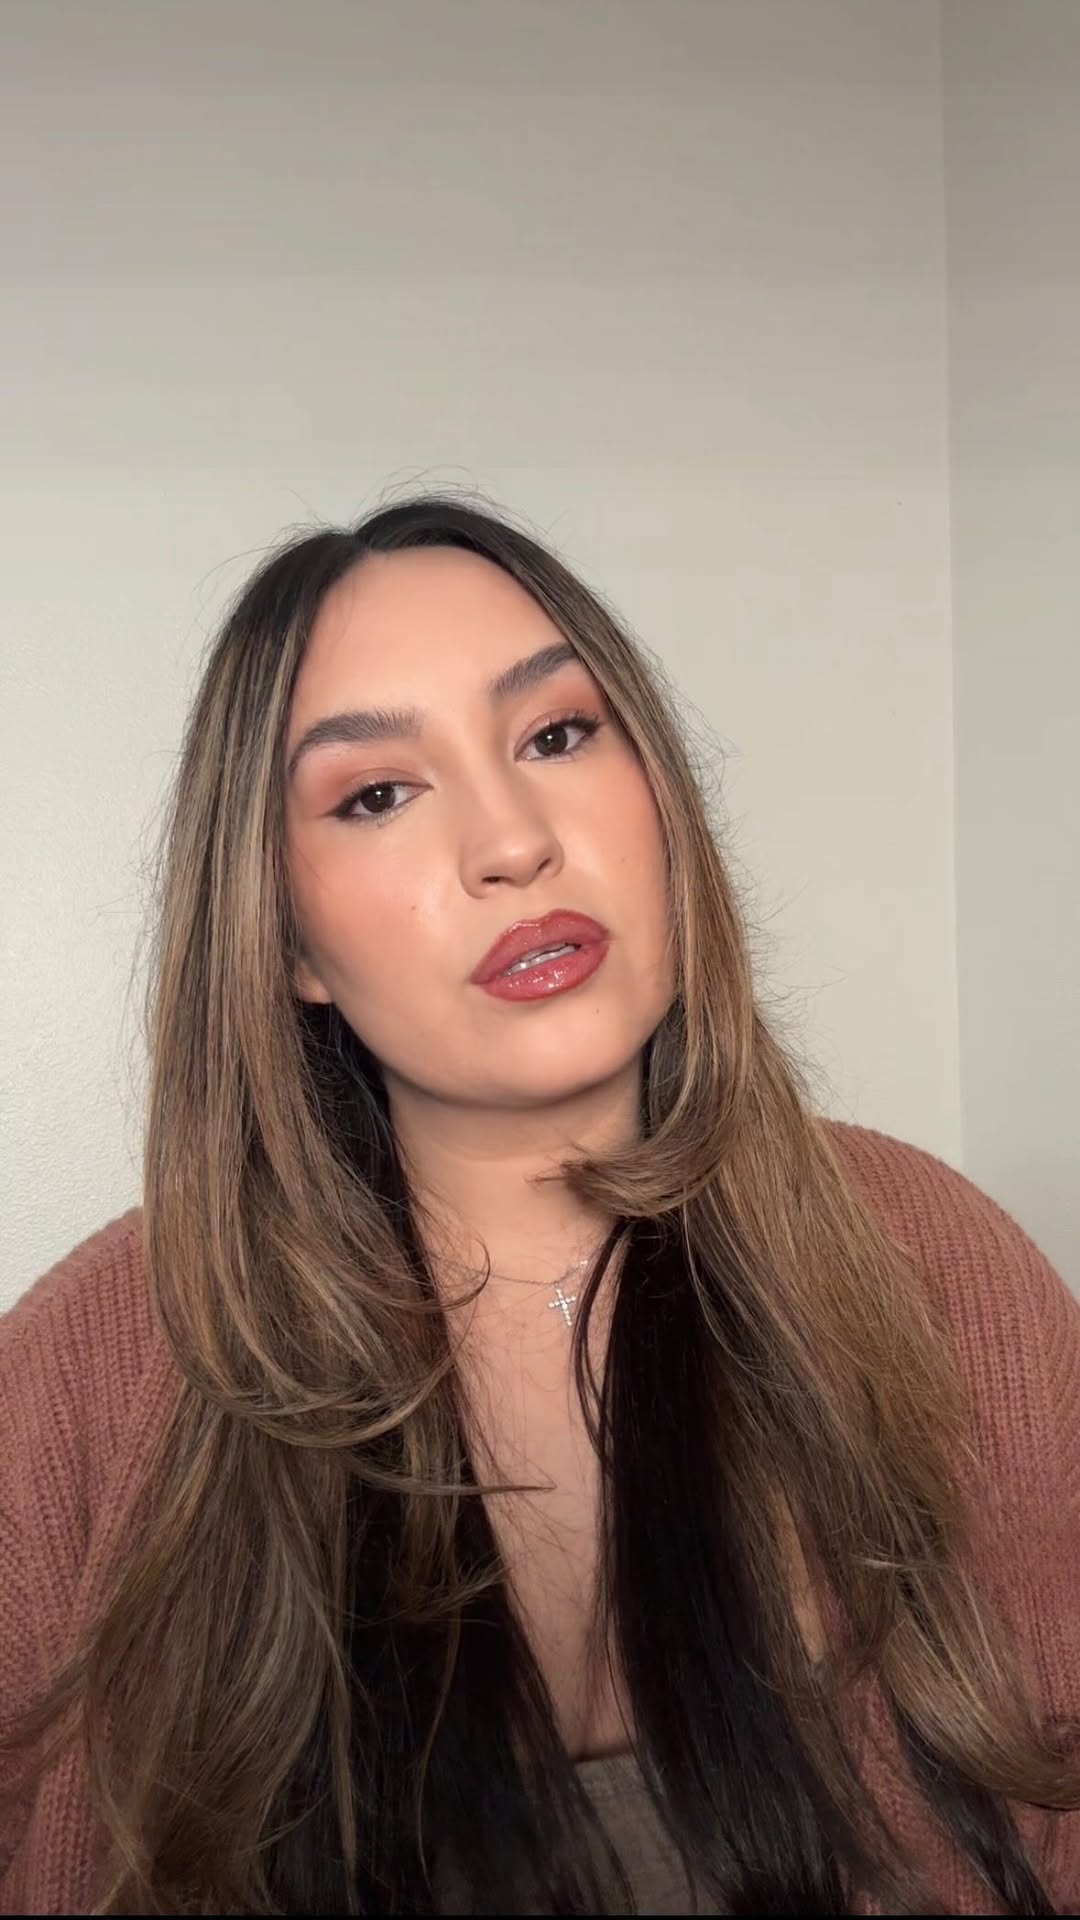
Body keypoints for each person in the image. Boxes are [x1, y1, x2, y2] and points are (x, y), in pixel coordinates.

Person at [1, 493, 1077, 1916]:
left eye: (558, 735)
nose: (510, 842)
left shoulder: (936, 1264)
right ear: (287, 941)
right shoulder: (88, 1372)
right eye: (376, 795)